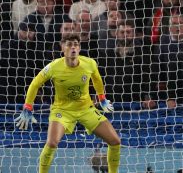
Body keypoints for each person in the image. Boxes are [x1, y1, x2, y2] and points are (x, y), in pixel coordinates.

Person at [14, 33, 121, 173]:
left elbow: (97, 79)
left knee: (115, 141)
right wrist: (28, 106)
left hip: (86, 109)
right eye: (69, 44)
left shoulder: (89, 63)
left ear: (79, 48)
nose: (73, 48)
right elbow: (35, 84)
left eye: (76, 44)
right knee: (52, 143)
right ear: (62, 47)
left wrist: (102, 99)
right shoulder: (53, 67)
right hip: (62, 111)